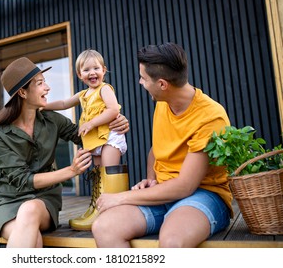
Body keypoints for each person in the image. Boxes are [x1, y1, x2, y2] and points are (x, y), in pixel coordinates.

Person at [92, 42, 233, 248]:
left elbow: (185, 186)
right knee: (104, 227)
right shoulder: (162, 104)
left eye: (143, 78)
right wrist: (151, 180)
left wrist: (121, 197)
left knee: (172, 241)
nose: (140, 82)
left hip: (205, 195)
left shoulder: (210, 117)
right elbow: (156, 150)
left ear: (162, 84)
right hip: (166, 192)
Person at [0, 57, 129, 248]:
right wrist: (71, 171)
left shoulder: (52, 120)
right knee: (33, 239)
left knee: (29, 210)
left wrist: (114, 123)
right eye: (40, 83)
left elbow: (86, 137)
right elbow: (22, 180)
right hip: (6, 201)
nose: (48, 88)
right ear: (22, 92)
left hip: (42, 200)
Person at [44, 49, 128, 231]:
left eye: (96, 68)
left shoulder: (105, 89)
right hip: (96, 141)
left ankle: (113, 212)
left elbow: (113, 110)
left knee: (108, 172)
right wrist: (43, 107)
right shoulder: (83, 95)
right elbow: (64, 104)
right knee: (98, 176)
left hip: (110, 136)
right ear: (79, 75)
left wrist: (91, 123)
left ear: (104, 70)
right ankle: (97, 207)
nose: (92, 73)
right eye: (87, 70)